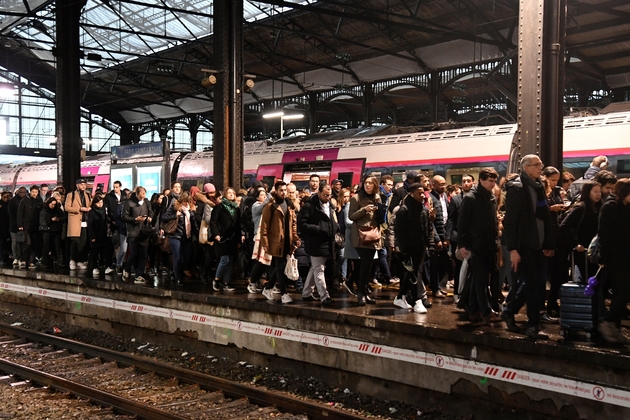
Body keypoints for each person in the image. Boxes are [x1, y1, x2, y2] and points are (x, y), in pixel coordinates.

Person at [501, 155, 555, 340]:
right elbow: (511, 222)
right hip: (524, 244)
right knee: (532, 285)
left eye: (541, 163)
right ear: (525, 168)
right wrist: (513, 249)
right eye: (536, 164)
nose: (541, 167)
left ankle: (509, 310)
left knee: (534, 281)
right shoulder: (517, 189)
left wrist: (548, 243)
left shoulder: (539, 187)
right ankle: (533, 326)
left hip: (538, 244)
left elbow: (545, 218)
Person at [457, 168, 501, 324]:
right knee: (481, 279)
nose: (493, 184)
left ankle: (473, 309)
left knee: (478, 278)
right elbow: (462, 223)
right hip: (475, 245)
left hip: (489, 244)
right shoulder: (471, 198)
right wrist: (462, 245)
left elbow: (493, 222)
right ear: (481, 180)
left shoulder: (490, 197)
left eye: (494, 181)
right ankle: (486, 311)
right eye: (490, 181)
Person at [392, 183, 434, 313]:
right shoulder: (404, 210)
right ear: (411, 193)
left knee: (413, 273)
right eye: (419, 193)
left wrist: (430, 244)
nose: (422, 195)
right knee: (412, 274)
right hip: (407, 249)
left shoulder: (424, 210)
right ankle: (417, 300)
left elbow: (429, 228)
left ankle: (400, 297)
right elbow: (399, 232)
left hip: (420, 248)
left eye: (423, 193)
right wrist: (403, 249)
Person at [597, 179, 630, 343]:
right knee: (622, 291)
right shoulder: (610, 207)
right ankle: (609, 322)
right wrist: (604, 258)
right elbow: (604, 234)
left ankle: (614, 327)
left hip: (625, 256)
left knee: (623, 292)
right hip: (615, 258)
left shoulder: (625, 207)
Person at [260, 181, 300, 304]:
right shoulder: (270, 206)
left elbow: (293, 224)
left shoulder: (289, 205)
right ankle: (284, 293)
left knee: (278, 266)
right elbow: (264, 225)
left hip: (287, 241)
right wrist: (265, 242)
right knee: (279, 267)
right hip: (276, 241)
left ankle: (268, 288)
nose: (283, 193)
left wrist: (295, 238)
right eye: (281, 190)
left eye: (285, 190)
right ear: (276, 191)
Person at [299, 184, 338, 306]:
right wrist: (319, 229)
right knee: (319, 269)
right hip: (315, 242)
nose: (327, 197)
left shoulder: (330, 205)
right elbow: (302, 225)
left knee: (315, 268)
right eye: (325, 195)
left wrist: (336, 228)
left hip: (328, 241)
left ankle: (306, 293)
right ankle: (324, 296)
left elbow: (333, 221)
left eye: (329, 195)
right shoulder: (309, 206)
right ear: (319, 193)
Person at [348, 175, 382, 306]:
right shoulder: (356, 198)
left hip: (373, 235)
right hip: (361, 236)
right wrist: (364, 209)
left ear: (375, 185)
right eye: (366, 183)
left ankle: (364, 292)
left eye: (370, 183)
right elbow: (351, 216)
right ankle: (361, 293)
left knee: (368, 266)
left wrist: (380, 208)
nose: (368, 185)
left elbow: (381, 218)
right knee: (364, 264)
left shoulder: (376, 198)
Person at [560, 181, 602, 285]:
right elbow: (564, 226)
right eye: (595, 191)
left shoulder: (599, 208)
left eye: (600, 192)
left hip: (595, 250)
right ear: (588, 193)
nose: (598, 194)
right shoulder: (580, 208)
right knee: (586, 278)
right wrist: (575, 244)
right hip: (582, 250)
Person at [446, 173, 474, 301]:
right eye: (464, 181)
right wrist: (449, 237)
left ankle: (468, 293)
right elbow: (451, 219)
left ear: (473, 182)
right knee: (458, 267)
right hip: (458, 237)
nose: (466, 183)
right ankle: (457, 292)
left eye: (468, 181)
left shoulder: (476, 197)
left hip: (473, 238)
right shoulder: (456, 199)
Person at [162, 191, 198, 286]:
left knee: (186, 257)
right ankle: (178, 277)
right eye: (185, 201)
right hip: (175, 235)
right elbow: (164, 217)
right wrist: (175, 215)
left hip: (187, 236)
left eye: (188, 201)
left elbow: (193, 224)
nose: (186, 203)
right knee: (177, 256)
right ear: (181, 200)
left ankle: (175, 271)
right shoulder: (175, 207)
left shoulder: (191, 210)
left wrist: (198, 236)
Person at [210, 187, 242, 291]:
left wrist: (238, 239)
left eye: (233, 192)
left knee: (231, 260)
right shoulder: (219, 207)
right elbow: (213, 221)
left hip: (232, 238)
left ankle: (226, 282)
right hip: (222, 237)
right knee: (224, 259)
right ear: (225, 194)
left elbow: (238, 224)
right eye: (229, 193)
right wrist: (216, 234)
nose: (232, 194)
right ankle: (216, 279)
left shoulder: (236, 208)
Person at [121, 186, 153, 284]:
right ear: (137, 194)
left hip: (144, 232)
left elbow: (151, 212)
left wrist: (149, 218)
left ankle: (139, 274)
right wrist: (135, 219)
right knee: (134, 252)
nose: (143, 197)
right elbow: (124, 216)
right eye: (141, 195)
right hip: (133, 231)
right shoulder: (129, 202)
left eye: (144, 194)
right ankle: (127, 268)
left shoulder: (147, 202)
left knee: (143, 253)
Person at [65, 178, 92, 270]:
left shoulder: (88, 195)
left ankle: (80, 261)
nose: (83, 186)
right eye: (81, 184)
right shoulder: (71, 195)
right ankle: (72, 260)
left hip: (85, 221)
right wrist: (79, 209)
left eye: (85, 184)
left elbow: (91, 205)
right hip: (75, 222)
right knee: (75, 241)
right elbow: (67, 208)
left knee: (83, 243)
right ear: (77, 185)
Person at [87, 195, 113, 277]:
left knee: (105, 251)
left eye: (101, 202)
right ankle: (94, 267)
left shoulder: (104, 211)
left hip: (104, 234)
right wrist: (92, 237)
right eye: (98, 203)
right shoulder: (91, 212)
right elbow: (90, 225)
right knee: (95, 252)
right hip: (95, 234)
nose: (100, 204)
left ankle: (107, 266)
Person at [17, 185, 41, 269]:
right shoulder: (24, 201)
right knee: (27, 243)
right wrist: (20, 225)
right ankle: (23, 260)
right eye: (33, 192)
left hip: (35, 226)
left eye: (36, 192)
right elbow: (20, 214)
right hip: (26, 226)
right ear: (30, 192)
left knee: (34, 244)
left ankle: (31, 261)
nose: (34, 194)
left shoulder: (39, 201)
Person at [39, 196, 65, 269]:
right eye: (51, 204)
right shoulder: (44, 211)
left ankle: (59, 261)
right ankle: (44, 261)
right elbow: (42, 221)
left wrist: (59, 219)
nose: (53, 206)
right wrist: (51, 220)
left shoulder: (58, 210)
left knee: (57, 247)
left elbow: (63, 218)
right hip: (47, 231)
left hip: (56, 230)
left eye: (54, 204)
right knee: (46, 246)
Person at [8, 187, 26, 267]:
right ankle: (16, 257)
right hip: (14, 225)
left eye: (24, 192)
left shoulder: (26, 201)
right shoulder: (12, 201)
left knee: (21, 243)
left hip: (23, 225)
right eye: (20, 192)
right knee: (14, 242)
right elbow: (10, 214)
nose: (22, 194)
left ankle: (20, 257)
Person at [0, 191, 11, 265]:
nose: (6, 199)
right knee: (1, 243)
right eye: (5, 197)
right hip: (1, 227)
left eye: (7, 197)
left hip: (7, 227)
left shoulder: (9, 204)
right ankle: (1, 258)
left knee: (5, 244)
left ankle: (4, 257)